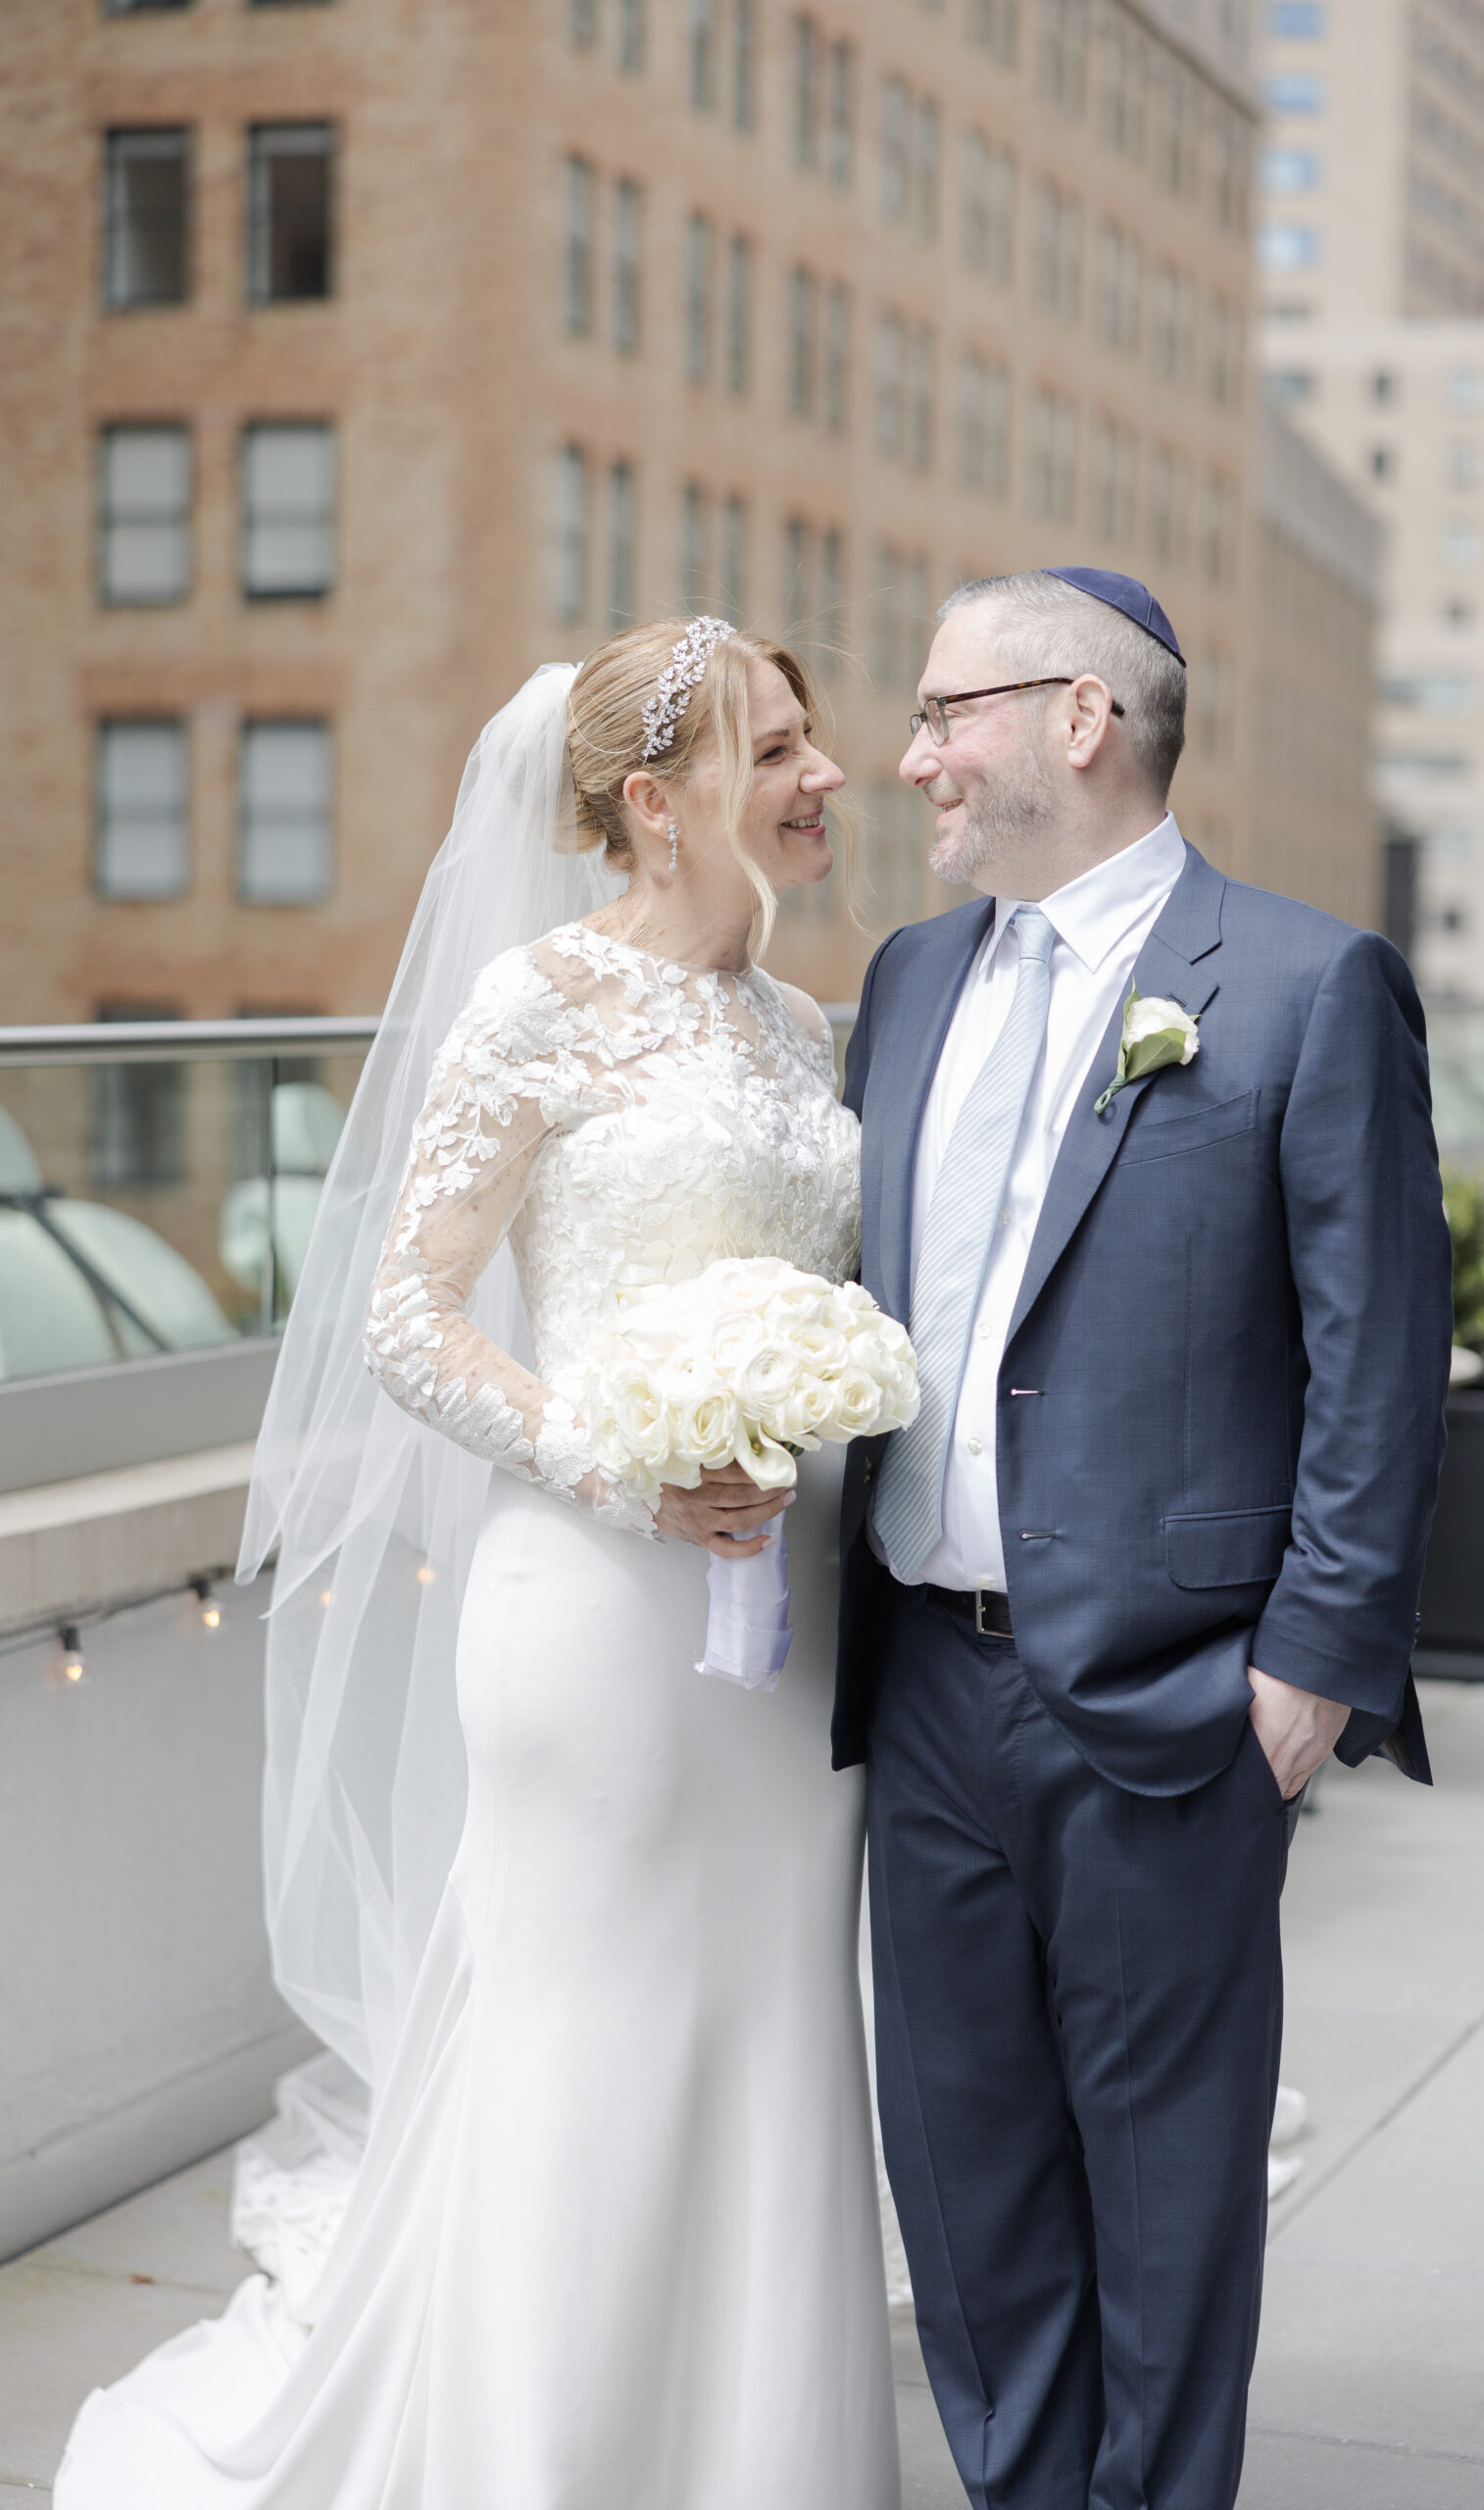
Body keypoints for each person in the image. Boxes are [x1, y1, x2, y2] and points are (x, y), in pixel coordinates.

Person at [56, 622, 902, 2508]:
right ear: (654, 802)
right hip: (596, 1622)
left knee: (771, 2029)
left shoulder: (806, 1025)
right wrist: (624, 1468)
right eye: (780, 748)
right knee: (586, 2040)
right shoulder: (536, 1002)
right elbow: (408, 1321)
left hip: (796, 1634)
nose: (824, 776)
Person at [835, 568, 1452, 2510]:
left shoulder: (1298, 979)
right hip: (925, 1686)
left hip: (1175, 1703)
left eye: (945, 710)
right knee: (963, 2179)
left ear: (1074, 719)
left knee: (1168, 2197)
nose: (908, 751)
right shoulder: (905, 980)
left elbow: (1380, 1356)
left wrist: (1305, 1673)